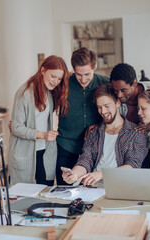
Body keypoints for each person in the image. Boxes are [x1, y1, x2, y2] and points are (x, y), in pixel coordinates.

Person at [62, 84, 149, 186]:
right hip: (92, 187)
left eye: (107, 106)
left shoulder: (136, 133)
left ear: (118, 103)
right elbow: (85, 160)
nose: (103, 111)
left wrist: (102, 174)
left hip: (120, 186)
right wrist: (74, 174)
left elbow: (133, 166)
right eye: (99, 107)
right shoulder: (93, 133)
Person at [8, 55, 69, 186]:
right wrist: (42, 135)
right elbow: (16, 127)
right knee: (24, 195)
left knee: (46, 191)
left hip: (45, 152)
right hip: (26, 152)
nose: (56, 81)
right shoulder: (24, 93)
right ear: (42, 70)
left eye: (59, 78)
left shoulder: (51, 92)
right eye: (53, 76)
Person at [56, 47, 109, 185]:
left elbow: (116, 111)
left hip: (95, 148)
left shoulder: (105, 83)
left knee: (91, 190)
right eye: (79, 74)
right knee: (65, 189)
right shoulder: (62, 84)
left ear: (95, 67)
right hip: (66, 145)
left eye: (87, 74)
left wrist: (99, 125)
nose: (83, 79)